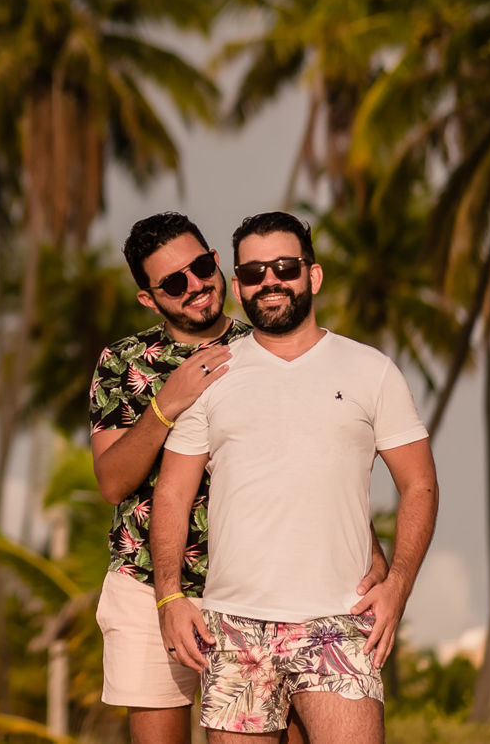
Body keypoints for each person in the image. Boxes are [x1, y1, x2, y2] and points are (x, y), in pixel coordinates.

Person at [89, 212, 384, 744]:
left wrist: (370, 549)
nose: (195, 285)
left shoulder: (268, 339)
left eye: (201, 267)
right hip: (150, 584)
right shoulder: (124, 361)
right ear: (148, 298)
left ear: (217, 262)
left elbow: (317, 462)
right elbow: (112, 482)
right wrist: (166, 404)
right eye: (173, 282)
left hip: (266, 591)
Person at [153, 211, 438, 744]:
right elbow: (172, 492)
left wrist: (398, 587)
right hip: (233, 626)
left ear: (313, 275)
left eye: (285, 267)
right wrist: (168, 596)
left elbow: (419, 484)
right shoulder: (209, 375)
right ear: (237, 285)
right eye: (254, 272)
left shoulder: (371, 370)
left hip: (340, 619)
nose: (270, 281)